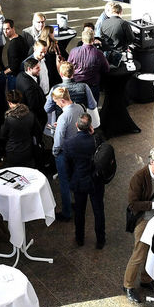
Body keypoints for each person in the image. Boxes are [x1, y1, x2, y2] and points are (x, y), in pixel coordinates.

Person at [120, 147, 154, 304]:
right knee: (139, 253)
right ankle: (128, 285)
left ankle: (146, 279)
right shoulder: (139, 177)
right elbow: (133, 204)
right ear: (152, 161)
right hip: (143, 219)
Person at [63, 113, 105, 249]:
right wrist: (93, 134)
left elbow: (67, 166)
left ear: (77, 126)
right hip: (95, 181)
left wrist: (71, 180)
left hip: (79, 181)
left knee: (80, 212)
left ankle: (79, 238)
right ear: (90, 126)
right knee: (98, 211)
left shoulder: (69, 143)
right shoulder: (97, 139)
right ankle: (100, 240)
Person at [49, 86, 84, 220]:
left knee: (64, 183)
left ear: (62, 101)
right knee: (75, 179)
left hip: (65, 153)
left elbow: (58, 141)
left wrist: (55, 152)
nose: (56, 104)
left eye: (56, 102)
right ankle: (77, 204)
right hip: (78, 150)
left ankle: (66, 213)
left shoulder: (63, 117)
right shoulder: (80, 108)